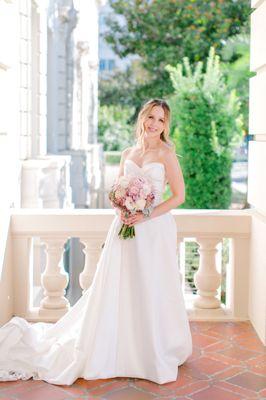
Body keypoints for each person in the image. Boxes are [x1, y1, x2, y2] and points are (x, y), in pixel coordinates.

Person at [0, 98, 192, 385]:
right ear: (142, 118)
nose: (154, 124)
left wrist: (145, 214)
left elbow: (179, 196)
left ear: (166, 126)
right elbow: (117, 191)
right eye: (150, 117)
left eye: (161, 120)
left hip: (153, 231)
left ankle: (150, 348)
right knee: (119, 284)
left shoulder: (166, 155)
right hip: (123, 228)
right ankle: (114, 347)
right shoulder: (128, 152)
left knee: (151, 285)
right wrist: (123, 208)